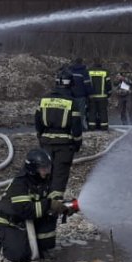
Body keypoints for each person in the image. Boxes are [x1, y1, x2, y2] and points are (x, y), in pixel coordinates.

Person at [0, 149, 69, 261]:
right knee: (19, 255)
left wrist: (64, 206)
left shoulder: (42, 179)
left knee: (50, 220)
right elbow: (25, 210)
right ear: (33, 169)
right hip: (10, 223)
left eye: (48, 167)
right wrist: (49, 204)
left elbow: (49, 195)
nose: (47, 171)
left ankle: (41, 245)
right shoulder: (20, 183)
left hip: (28, 222)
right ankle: (4, 245)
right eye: (44, 168)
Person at [35, 67, 84, 200]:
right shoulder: (71, 102)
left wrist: (40, 136)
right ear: (71, 84)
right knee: (60, 174)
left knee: (44, 171)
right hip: (64, 145)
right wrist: (77, 142)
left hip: (46, 143)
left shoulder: (44, 99)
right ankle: (55, 202)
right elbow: (76, 126)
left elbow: (37, 121)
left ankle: (42, 199)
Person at [87, 59, 110, 131]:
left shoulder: (89, 71)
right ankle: (104, 127)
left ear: (93, 63)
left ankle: (91, 127)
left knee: (92, 112)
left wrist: (87, 94)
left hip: (92, 96)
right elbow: (108, 84)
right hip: (102, 96)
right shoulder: (105, 72)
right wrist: (109, 93)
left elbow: (86, 83)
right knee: (103, 112)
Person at [67, 57, 93, 122]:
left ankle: (71, 124)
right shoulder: (84, 71)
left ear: (75, 62)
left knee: (71, 111)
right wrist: (90, 93)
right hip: (81, 95)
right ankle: (80, 125)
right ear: (82, 62)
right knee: (80, 112)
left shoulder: (70, 71)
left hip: (71, 95)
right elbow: (87, 84)